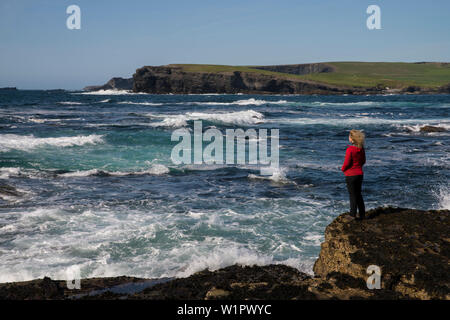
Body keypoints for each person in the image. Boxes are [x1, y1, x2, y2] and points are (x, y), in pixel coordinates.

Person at [341, 129, 366, 220]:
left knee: (352, 195)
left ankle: (352, 215)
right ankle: (362, 214)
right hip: (360, 174)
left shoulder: (350, 149)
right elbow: (363, 161)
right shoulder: (361, 149)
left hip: (351, 175)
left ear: (352, 139)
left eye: (349, 136)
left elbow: (347, 163)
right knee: (358, 194)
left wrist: (343, 169)